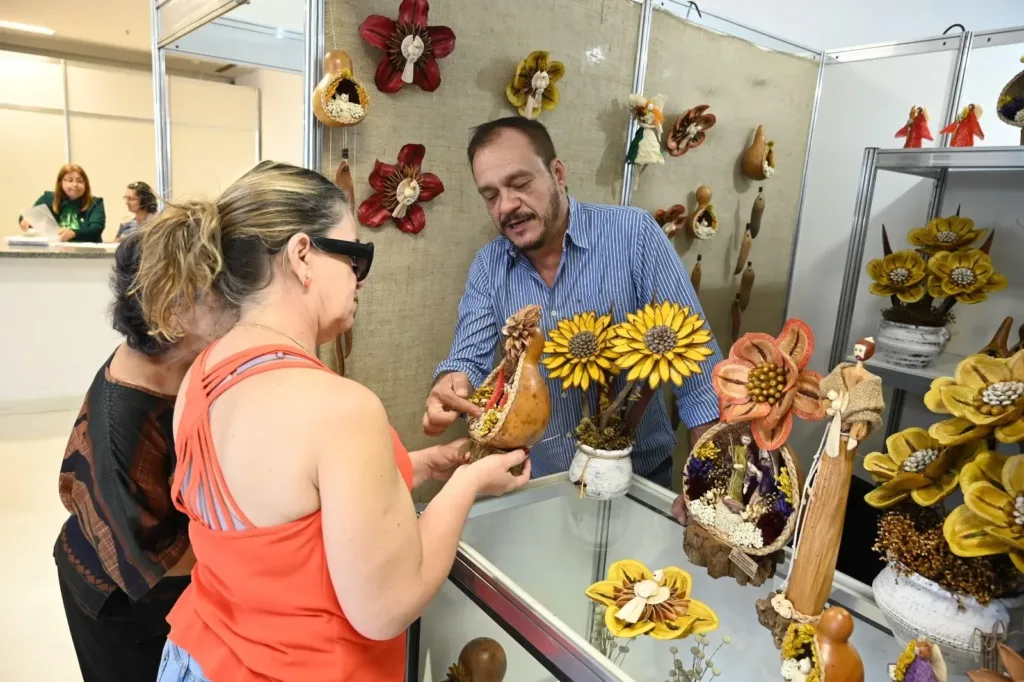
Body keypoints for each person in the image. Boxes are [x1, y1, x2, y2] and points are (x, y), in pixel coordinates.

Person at [134, 161, 531, 682]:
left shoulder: (202, 375)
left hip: (199, 658)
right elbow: (387, 606)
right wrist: (468, 483)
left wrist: (419, 467)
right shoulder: (342, 408)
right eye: (355, 257)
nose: (359, 279)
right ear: (302, 255)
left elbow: (285, 507)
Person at [423, 117, 723, 490]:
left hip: (637, 478)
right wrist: (450, 384)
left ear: (557, 173)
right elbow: (467, 361)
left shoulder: (634, 236)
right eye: (491, 195)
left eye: (520, 184)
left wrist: (707, 486)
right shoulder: (489, 266)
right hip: (539, 485)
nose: (507, 206)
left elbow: (700, 375)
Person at [54, 231, 236, 682]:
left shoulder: (173, 362)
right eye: (219, 288)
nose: (237, 298)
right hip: (119, 603)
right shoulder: (126, 426)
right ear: (169, 309)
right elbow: (162, 564)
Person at [19, 164, 106, 242]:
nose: (75, 184)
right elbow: (28, 216)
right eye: (70, 180)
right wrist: (25, 220)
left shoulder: (95, 203)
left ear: (86, 185)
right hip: (54, 252)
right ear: (61, 183)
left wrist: (74, 233)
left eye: (80, 181)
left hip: (86, 254)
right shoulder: (48, 198)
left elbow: (96, 229)